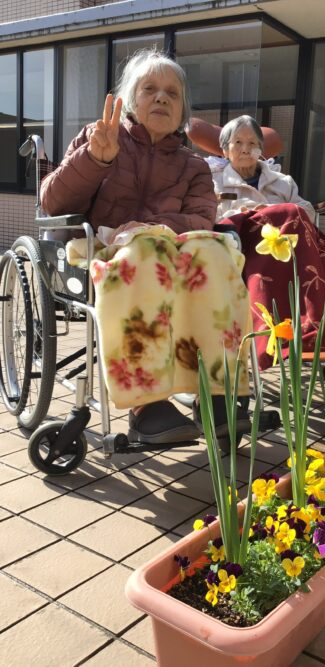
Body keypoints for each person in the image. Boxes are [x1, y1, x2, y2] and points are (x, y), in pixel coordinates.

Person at [41, 50, 251, 446]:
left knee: (217, 253)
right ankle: (146, 405)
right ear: (129, 100)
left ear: (183, 108)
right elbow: (51, 203)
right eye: (149, 89)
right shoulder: (100, 136)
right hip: (104, 252)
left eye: (172, 93)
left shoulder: (193, 166)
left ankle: (218, 394)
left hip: (170, 255)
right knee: (143, 253)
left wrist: (152, 228)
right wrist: (95, 160)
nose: (161, 98)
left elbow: (201, 218)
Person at [209, 115, 325, 370]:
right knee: (287, 212)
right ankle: (292, 335)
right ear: (225, 150)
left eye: (252, 143)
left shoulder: (282, 182)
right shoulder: (214, 181)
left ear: (261, 149)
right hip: (248, 247)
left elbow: (305, 211)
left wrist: (276, 212)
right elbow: (211, 216)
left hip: (294, 249)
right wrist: (251, 212)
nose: (245, 149)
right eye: (238, 142)